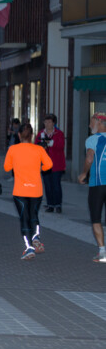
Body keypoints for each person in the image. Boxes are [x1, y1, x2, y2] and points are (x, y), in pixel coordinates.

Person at [4, 123, 53, 260]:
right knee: (34, 215)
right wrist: (40, 169)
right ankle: (36, 236)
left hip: (20, 190)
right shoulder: (39, 149)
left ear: (19, 135)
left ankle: (29, 248)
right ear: (32, 135)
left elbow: (7, 167)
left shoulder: (13, 149)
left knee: (24, 218)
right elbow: (49, 164)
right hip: (36, 190)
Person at [78, 113, 106, 263]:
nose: (89, 126)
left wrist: (84, 173)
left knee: (96, 218)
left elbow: (89, 158)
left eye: (91, 122)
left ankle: (102, 252)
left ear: (99, 122)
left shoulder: (93, 139)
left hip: (98, 184)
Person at [37, 113, 66, 213]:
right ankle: (50, 204)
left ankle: (58, 204)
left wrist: (50, 143)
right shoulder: (41, 133)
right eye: (45, 122)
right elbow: (36, 145)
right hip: (44, 164)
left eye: (49, 122)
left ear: (53, 123)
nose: (47, 124)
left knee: (56, 185)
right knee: (47, 185)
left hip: (56, 164)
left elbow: (61, 146)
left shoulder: (59, 133)